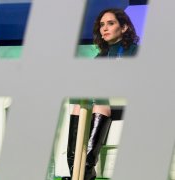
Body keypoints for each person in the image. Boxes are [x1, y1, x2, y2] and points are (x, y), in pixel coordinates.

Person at [64, 8, 139, 180]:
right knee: (77, 106)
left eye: (110, 23)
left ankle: (85, 173)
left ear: (124, 27)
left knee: (99, 103)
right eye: (102, 25)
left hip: (126, 105)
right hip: (103, 104)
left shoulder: (136, 51)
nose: (104, 28)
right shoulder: (100, 56)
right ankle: (78, 173)